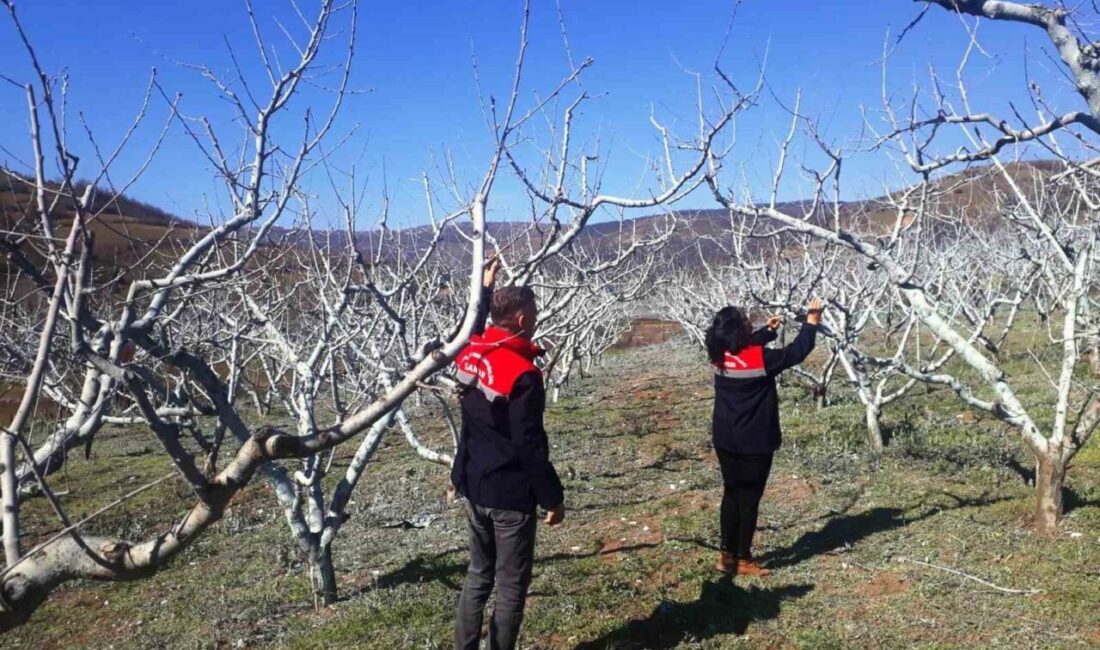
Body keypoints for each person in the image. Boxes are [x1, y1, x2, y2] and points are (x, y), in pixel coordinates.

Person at [452, 257, 566, 650]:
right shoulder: (523, 374)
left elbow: (474, 327)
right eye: (532, 314)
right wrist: (552, 496)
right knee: (511, 585)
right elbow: (528, 443)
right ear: (520, 320)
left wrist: (485, 289)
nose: (535, 319)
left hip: (474, 483)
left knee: (478, 574)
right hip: (510, 494)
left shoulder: (472, 353)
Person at [705, 298, 823, 577]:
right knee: (749, 498)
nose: (750, 321)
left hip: (725, 438)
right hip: (754, 441)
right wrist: (812, 321)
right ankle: (743, 559)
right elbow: (797, 351)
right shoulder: (760, 360)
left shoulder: (718, 355)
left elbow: (744, 348)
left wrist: (767, 332)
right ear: (739, 332)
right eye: (746, 321)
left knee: (732, 493)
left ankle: (726, 555)